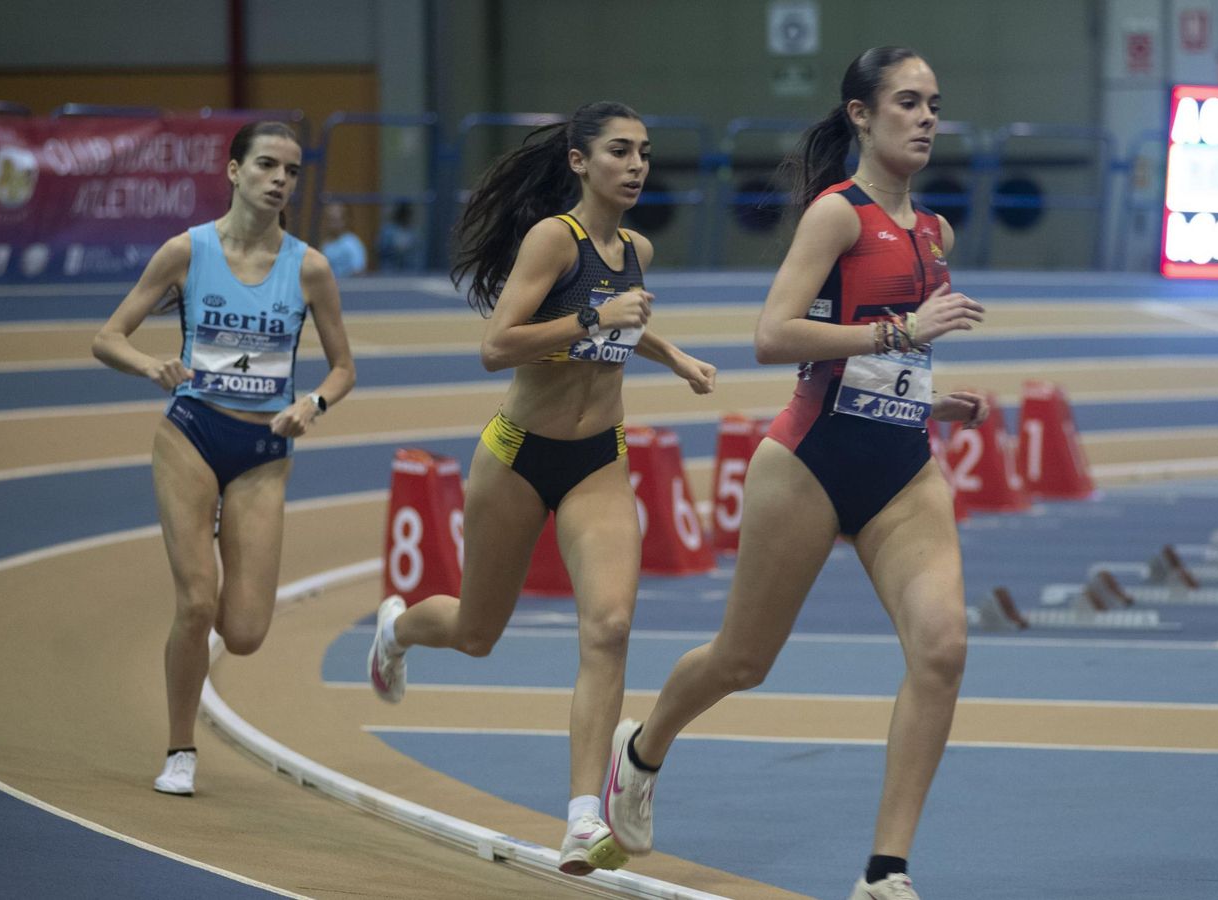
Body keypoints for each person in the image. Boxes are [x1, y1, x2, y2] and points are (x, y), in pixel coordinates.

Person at [599, 48, 988, 900]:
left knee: (944, 648)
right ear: (860, 114)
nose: (926, 119)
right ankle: (641, 750)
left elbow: (890, 350)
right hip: (807, 464)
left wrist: (926, 399)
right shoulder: (836, 216)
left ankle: (885, 872)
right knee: (744, 660)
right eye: (907, 103)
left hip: (901, 468)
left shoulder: (935, 232)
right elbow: (772, 337)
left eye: (933, 105)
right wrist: (903, 334)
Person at [364, 101, 717, 877]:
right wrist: (595, 314)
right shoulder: (552, 240)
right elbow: (498, 346)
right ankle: (397, 630)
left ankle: (582, 819)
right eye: (619, 151)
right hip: (517, 456)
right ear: (580, 161)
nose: (636, 166)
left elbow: (626, 324)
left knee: (611, 625)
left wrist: (673, 355)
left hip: (599, 458)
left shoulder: (636, 248)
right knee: (476, 633)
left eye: (645, 153)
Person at [91, 120, 356, 797]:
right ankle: (181, 749)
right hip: (193, 433)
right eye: (266, 165)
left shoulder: (310, 268)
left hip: (265, 451)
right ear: (233, 170)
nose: (279, 180)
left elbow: (342, 368)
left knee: (243, 633)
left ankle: (222, 525)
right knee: (197, 604)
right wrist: (151, 364)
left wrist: (313, 407)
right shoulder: (186, 252)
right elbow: (107, 337)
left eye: (291, 171)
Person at [319, 201, 366, 277]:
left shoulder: (352, 243)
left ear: (344, 221)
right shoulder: (325, 244)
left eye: (335, 220)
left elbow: (358, 270)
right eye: (329, 220)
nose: (332, 225)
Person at [376, 201, 422, 271]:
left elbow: (417, 253)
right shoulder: (388, 230)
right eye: (404, 215)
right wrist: (394, 248)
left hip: (409, 270)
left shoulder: (413, 232)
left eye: (408, 216)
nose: (406, 218)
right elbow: (379, 249)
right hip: (390, 269)